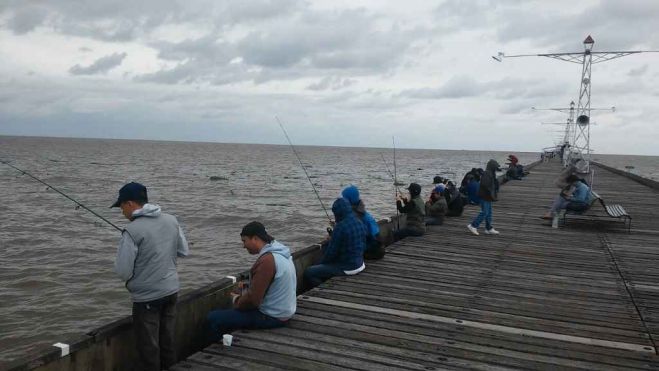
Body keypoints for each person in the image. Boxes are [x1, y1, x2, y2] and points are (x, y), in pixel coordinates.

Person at [112, 182, 189, 371]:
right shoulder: (171, 220)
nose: (122, 212)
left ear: (130, 203)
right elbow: (183, 250)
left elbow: (122, 271)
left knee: (149, 349)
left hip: (147, 298)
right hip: (171, 291)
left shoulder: (131, 231)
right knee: (167, 341)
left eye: (121, 207)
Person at [207, 222, 296, 341]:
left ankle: (218, 350)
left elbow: (253, 301)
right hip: (285, 313)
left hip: (272, 317)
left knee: (214, 318)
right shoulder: (281, 253)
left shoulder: (267, 261)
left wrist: (236, 299)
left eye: (244, 241)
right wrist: (247, 287)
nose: (244, 246)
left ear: (255, 238)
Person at [304, 198, 366, 288]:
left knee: (309, 272)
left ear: (337, 213)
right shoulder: (359, 222)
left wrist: (320, 264)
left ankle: (324, 290)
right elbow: (363, 245)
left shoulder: (340, 228)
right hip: (360, 264)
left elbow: (331, 254)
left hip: (348, 268)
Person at [341, 185, 384, 260]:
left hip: (372, 250)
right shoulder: (361, 212)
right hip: (378, 248)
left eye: (344, 198)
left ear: (349, 200)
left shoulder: (359, 217)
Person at [467, 159, 501, 236]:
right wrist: (491, 192)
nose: (496, 168)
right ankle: (473, 225)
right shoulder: (487, 174)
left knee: (489, 213)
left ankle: (488, 228)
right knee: (484, 212)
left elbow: (492, 184)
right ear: (492, 167)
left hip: (488, 197)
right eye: (495, 167)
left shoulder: (491, 173)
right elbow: (485, 185)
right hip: (484, 196)